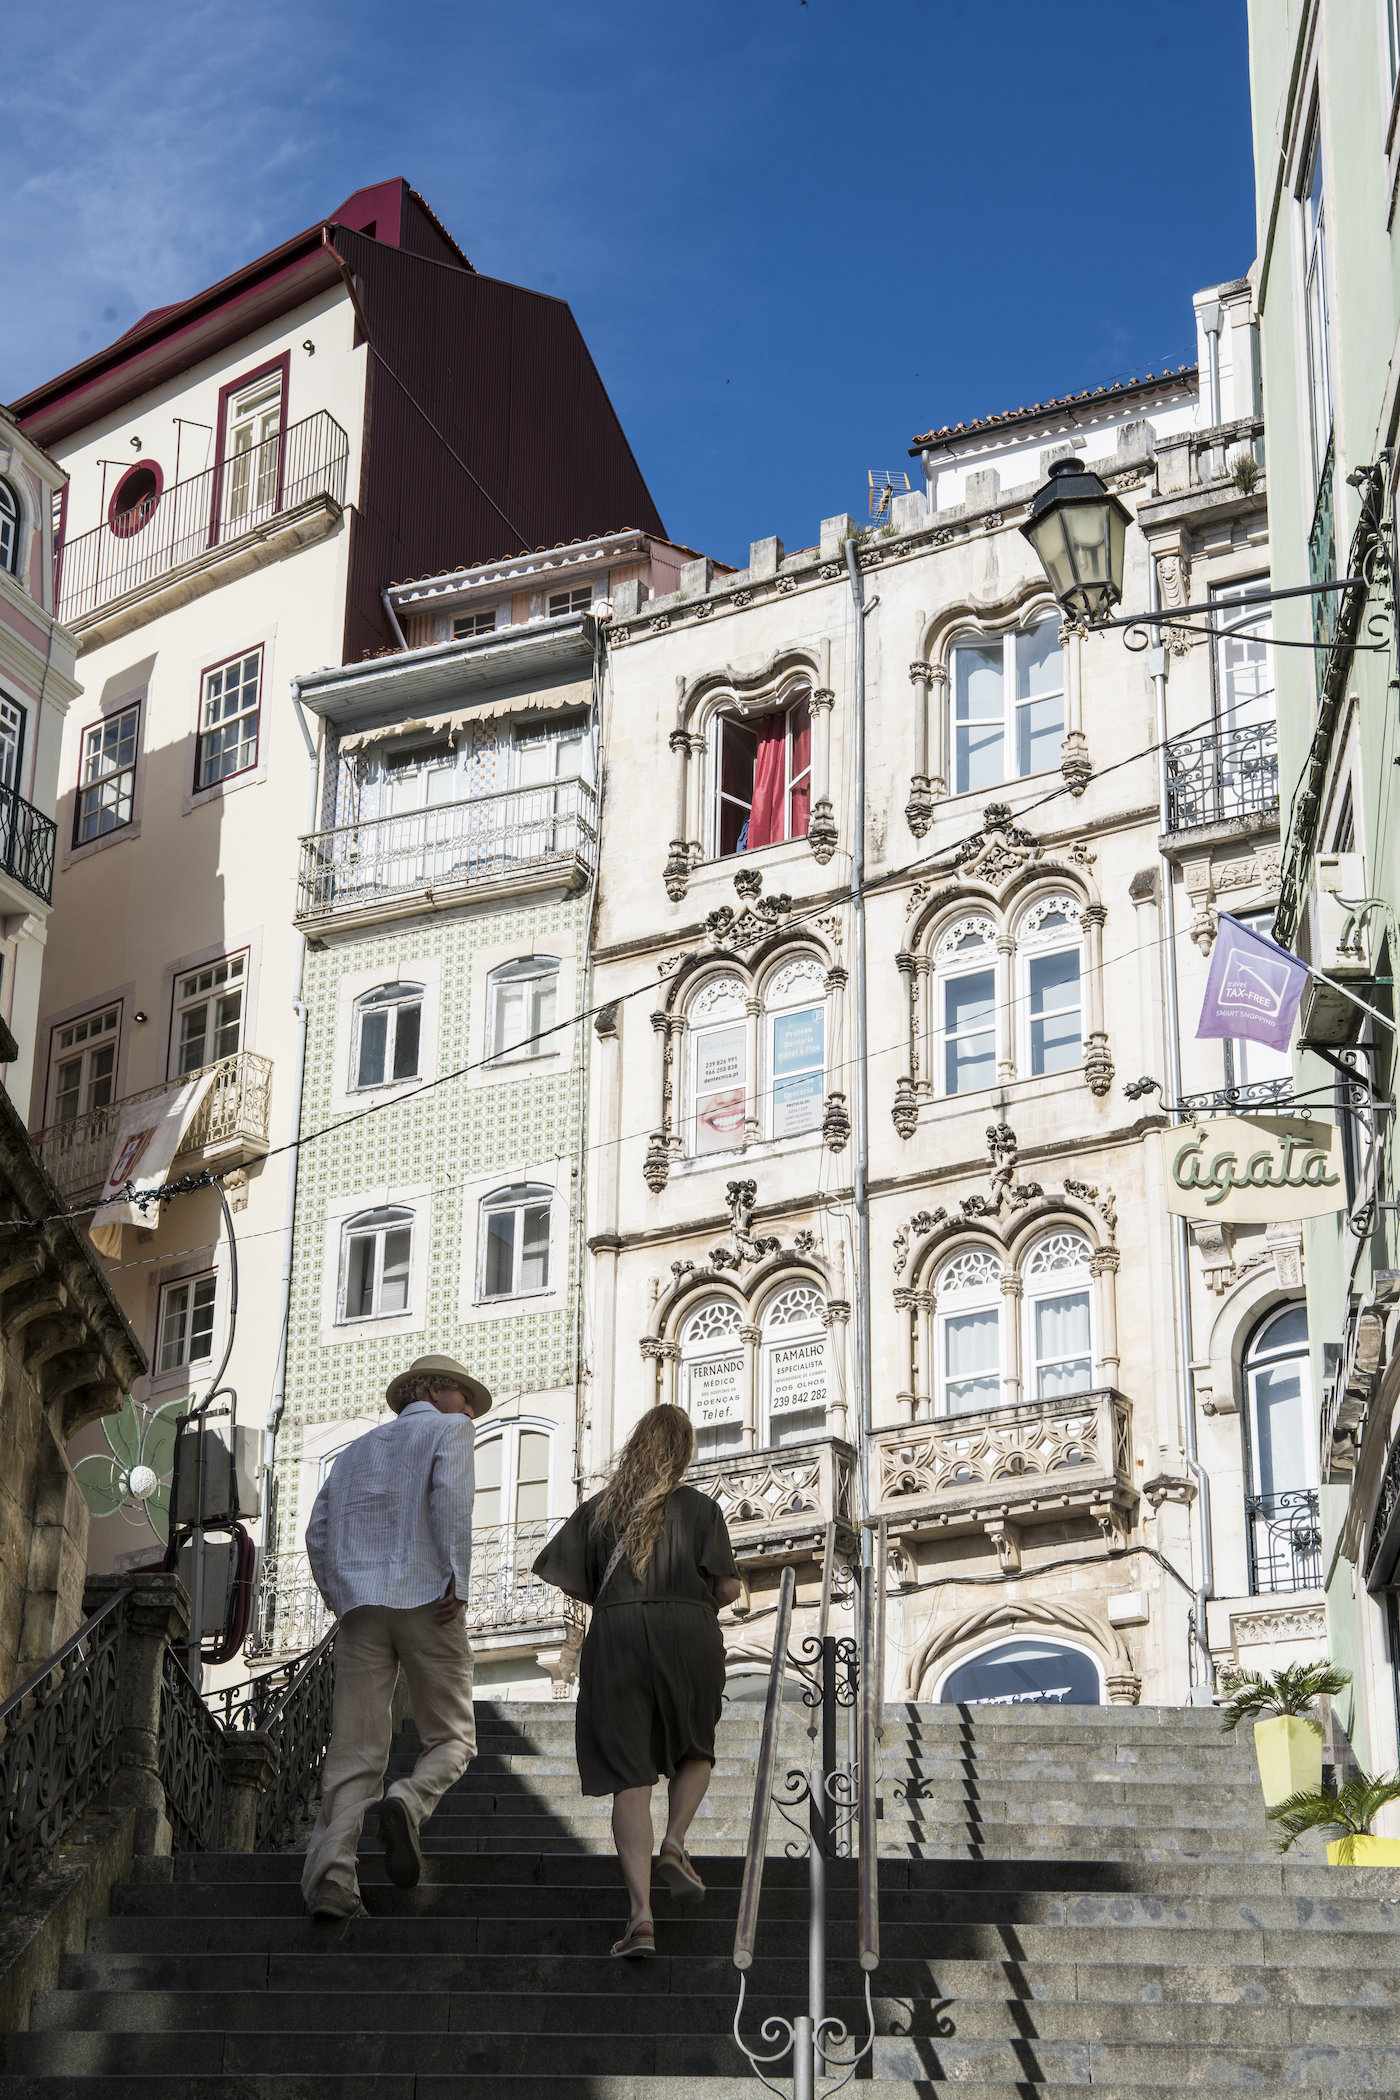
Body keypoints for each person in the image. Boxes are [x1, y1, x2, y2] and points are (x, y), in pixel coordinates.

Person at [533, 1403, 741, 1957]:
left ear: (635, 1447)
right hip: (687, 1632)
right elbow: (726, 1588)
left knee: (630, 1777)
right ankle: (674, 1842)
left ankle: (641, 1917)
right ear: (684, 1451)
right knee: (694, 1748)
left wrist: (622, 1597)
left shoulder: (600, 1510)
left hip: (617, 1635)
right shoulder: (701, 1509)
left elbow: (569, 1579)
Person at [299, 1352, 490, 1920]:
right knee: (453, 1737)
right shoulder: (449, 1430)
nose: (470, 1412)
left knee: (354, 1751)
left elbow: (317, 1532)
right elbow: (451, 1498)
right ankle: (407, 1800)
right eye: (464, 1399)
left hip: (360, 1610)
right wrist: (457, 1575)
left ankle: (333, 1880)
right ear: (433, 1390)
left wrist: (339, 1594)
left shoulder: (352, 1452)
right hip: (430, 1598)